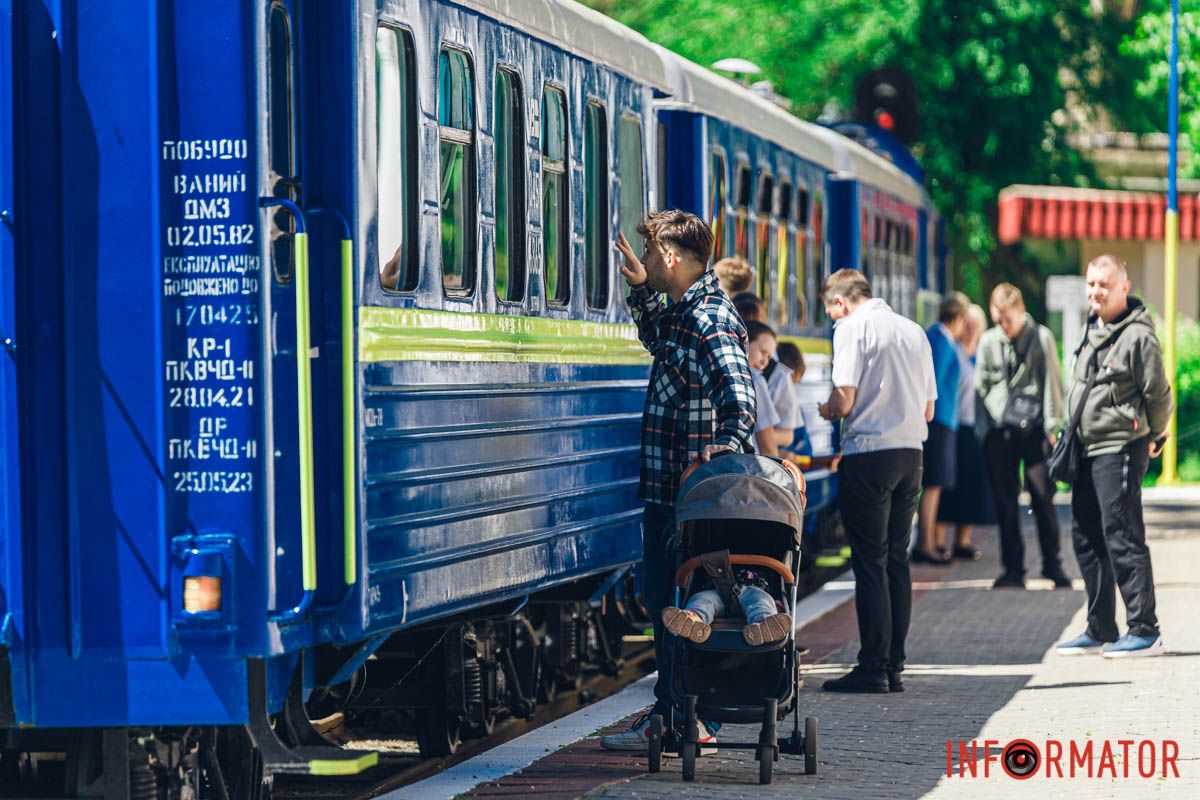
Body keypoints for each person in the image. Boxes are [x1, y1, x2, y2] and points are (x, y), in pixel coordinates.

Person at [600, 210, 756, 752]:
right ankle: (676, 714)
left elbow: (739, 396)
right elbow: (659, 340)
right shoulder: (687, 312)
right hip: (673, 491)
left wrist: (727, 443)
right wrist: (643, 289)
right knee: (667, 601)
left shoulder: (708, 318)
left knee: (676, 604)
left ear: (670, 256)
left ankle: (680, 718)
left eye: (649, 254)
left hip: (689, 497)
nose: (645, 259)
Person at [817, 269, 936, 694]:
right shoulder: (914, 331)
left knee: (869, 561)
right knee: (896, 559)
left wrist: (828, 410)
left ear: (841, 302)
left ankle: (872, 667)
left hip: (869, 455)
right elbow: (928, 410)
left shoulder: (852, 328)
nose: (833, 320)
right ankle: (894, 666)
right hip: (911, 455)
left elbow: (844, 398)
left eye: (831, 312)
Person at [1055, 255, 1172, 658]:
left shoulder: (1138, 336)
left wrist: (1155, 434)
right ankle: (1100, 626)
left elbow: (1158, 394)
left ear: (1124, 286)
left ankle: (1144, 629)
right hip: (1086, 448)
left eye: (1104, 284)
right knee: (1086, 537)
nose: (1096, 292)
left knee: (1122, 535)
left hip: (1120, 446)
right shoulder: (1092, 328)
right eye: (1091, 284)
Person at [976, 283, 1070, 589]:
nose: (1003, 326)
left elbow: (1052, 382)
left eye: (1008, 320)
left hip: (1035, 429)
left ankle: (1053, 564)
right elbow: (981, 386)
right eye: (997, 320)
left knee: (1042, 497)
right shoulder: (988, 341)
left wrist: (1053, 426)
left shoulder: (1040, 337)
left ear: (1021, 311)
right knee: (1005, 502)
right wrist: (986, 430)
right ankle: (1013, 569)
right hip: (1001, 430)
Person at [913, 292, 969, 565]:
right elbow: (931, 382)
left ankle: (928, 542)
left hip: (941, 421)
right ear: (957, 318)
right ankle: (925, 544)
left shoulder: (934, 337)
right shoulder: (942, 342)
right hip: (938, 421)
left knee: (934, 485)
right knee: (933, 485)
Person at [936, 303, 993, 559]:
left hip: (976, 427)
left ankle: (963, 541)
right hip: (954, 425)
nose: (971, 330)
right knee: (949, 487)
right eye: (967, 325)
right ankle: (939, 540)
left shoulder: (983, 355)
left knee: (971, 485)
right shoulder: (954, 351)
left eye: (975, 326)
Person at [662, 566, 793, 646]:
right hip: (716, 588)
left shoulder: (765, 567)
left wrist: (777, 605)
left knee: (762, 601)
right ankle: (693, 619)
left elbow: (775, 593)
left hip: (754, 588)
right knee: (702, 600)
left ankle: (764, 623)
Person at [745, 321, 782, 457]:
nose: (764, 362)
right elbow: (768, 445)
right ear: (745, 343)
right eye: (762, 352)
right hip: (749, 465)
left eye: (769, 357)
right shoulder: (756, 381)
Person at [776, 342, 813, 461]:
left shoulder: (795, 409)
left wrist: (795, 458)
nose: (789, 393)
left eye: (793, 385)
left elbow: (806, 453)